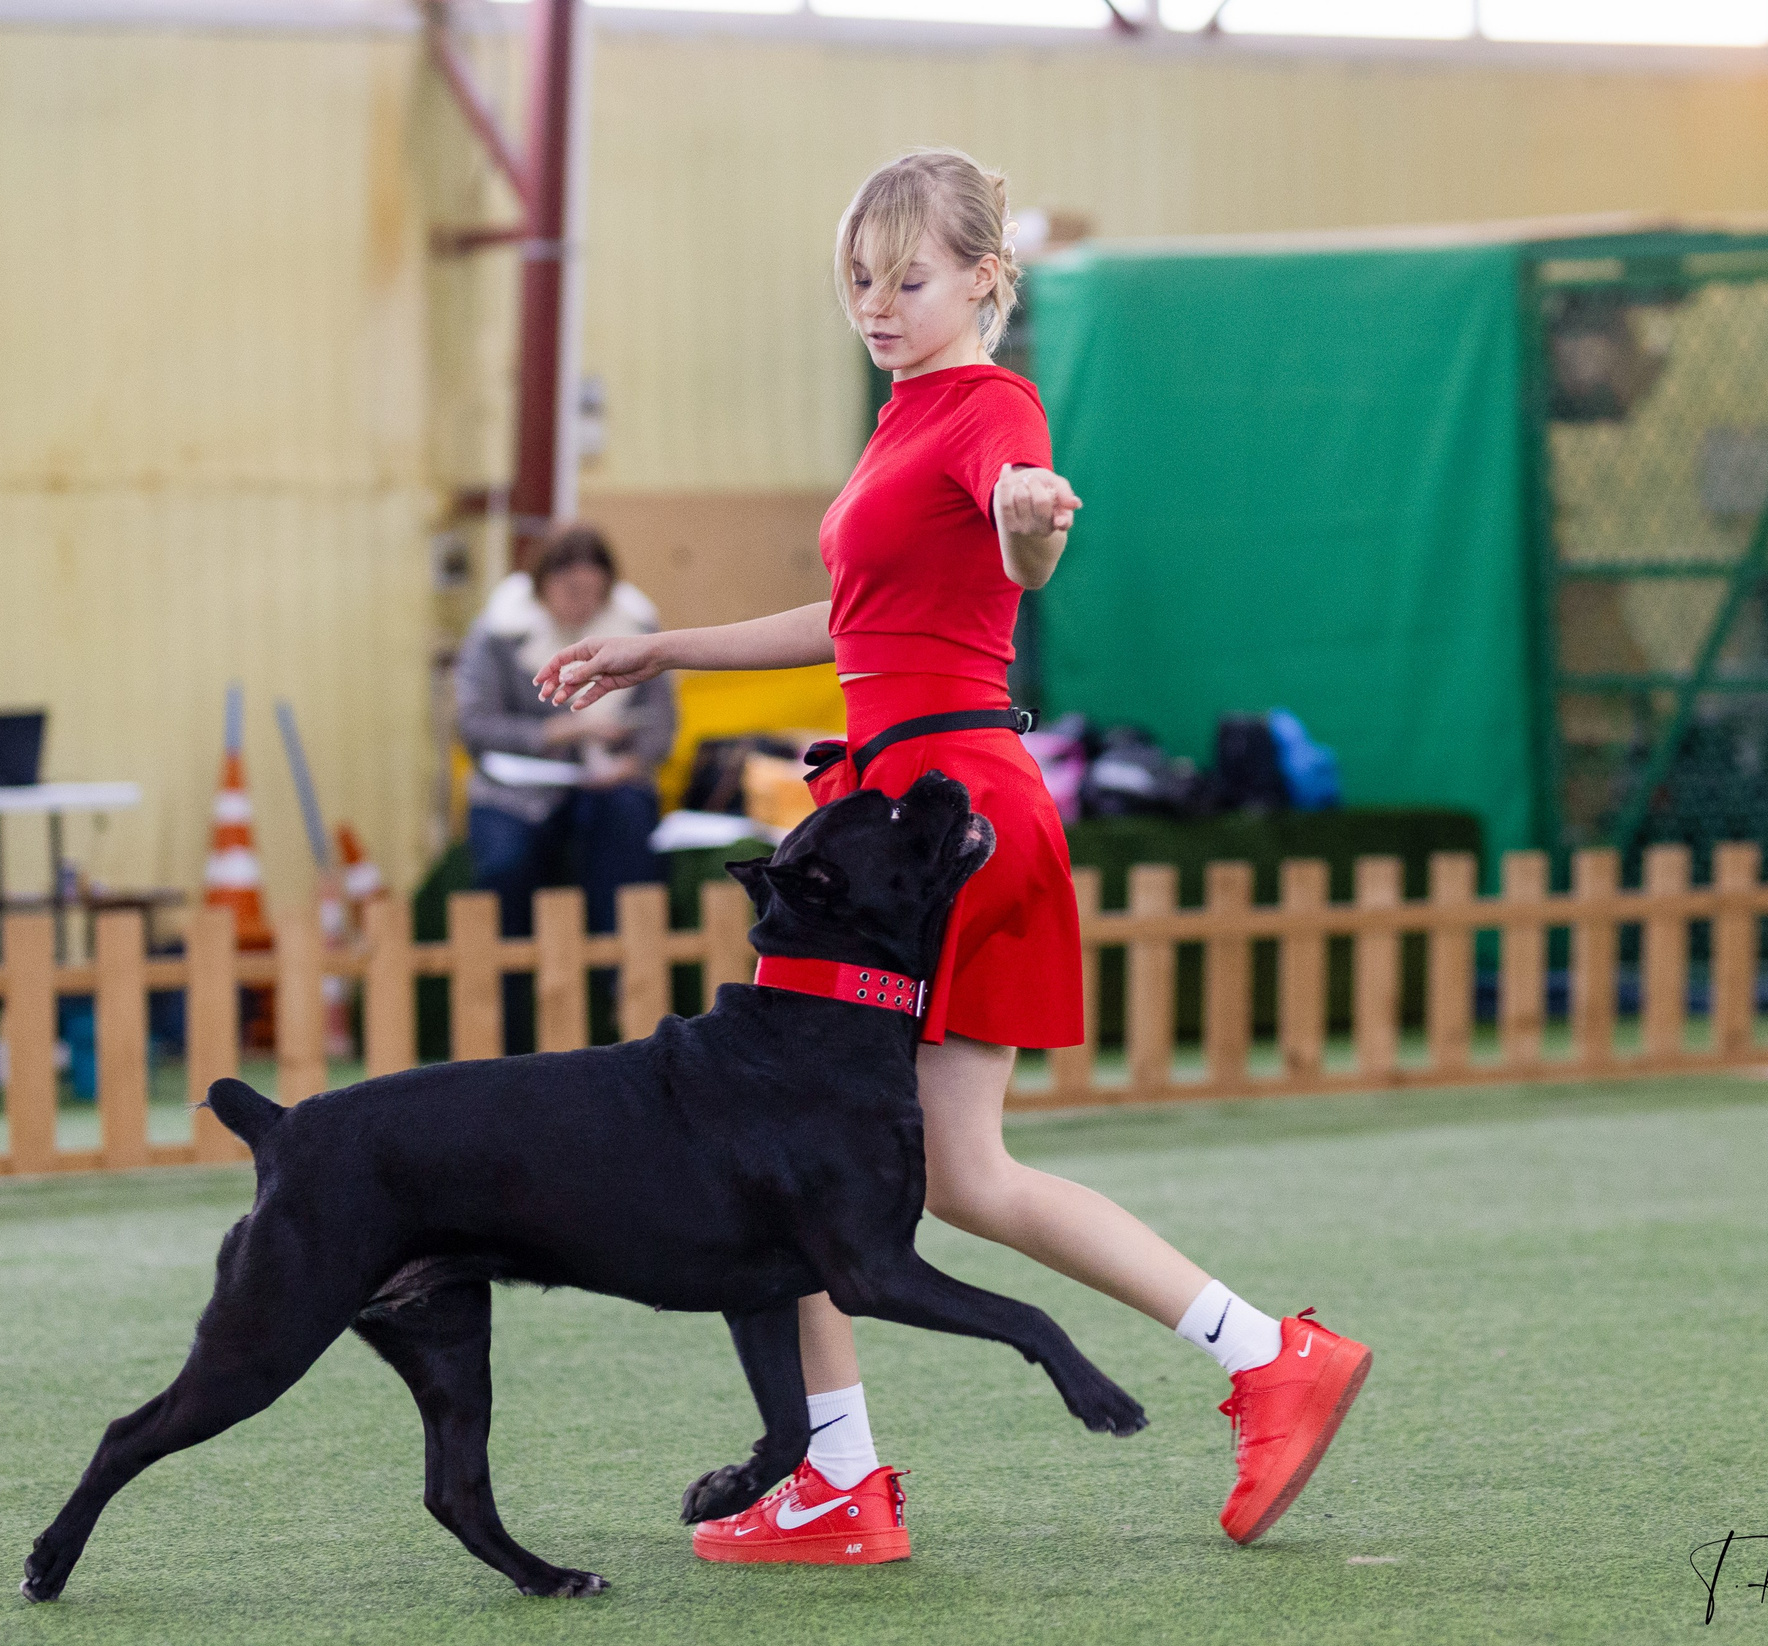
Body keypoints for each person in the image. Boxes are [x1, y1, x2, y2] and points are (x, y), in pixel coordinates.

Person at [536, 149, 1371, 1563]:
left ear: (983, 278)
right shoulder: (907, 414)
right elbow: (864, 615)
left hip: (932, 818)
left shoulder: (991, 405)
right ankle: (1260, 1352)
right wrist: (660, 644)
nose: (875, 301)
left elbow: (1021, 516)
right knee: (965, 1174)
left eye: (906, 278)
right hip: (933, 802)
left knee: (799, 1144)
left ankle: (843, 1479)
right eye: (857, 279)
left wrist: (1030, 522)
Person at [456, 526, 674, 1048]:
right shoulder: (498, 635)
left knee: (627, 844)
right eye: (569, 590)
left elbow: (662, 723)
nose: (581, 603)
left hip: (606, 786)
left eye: (592, 592)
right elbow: (474, 726)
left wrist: (633, 760)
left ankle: (626, 1014)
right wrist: (554, 731)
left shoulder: (636, 630)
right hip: (515, 791)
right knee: (506, 867)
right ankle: (505, 1029)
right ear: (541, 586)